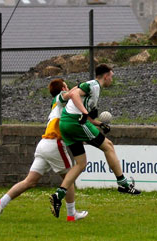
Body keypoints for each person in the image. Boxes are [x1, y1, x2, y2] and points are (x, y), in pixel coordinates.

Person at [49, 64, 140, 218]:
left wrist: (99, 124)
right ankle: (123, 183)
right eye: (111, 75)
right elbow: (74, 94)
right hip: (75, 122)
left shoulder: (95, 90)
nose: (112, 78)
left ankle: (58, 195)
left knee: (81, 163)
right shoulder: (93, 85)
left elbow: (87, 115)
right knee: (108, 146)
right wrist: (84, 113)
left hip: (66, 124)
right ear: (106, 76)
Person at [0, 78, 88, 222]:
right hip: (54, 144)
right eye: (66, 86)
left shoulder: (57, 104)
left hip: (43, 144)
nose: (68, 89)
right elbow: (71, 94)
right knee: (69, 178)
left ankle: (0, 203)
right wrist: (84, 87)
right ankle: (71, 214)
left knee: (29, 181)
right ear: (62, 89)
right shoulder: (60, 98)